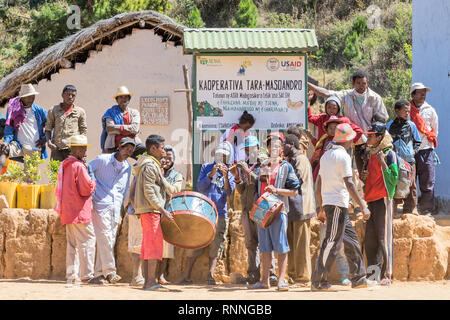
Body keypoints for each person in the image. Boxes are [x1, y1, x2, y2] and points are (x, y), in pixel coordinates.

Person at [312, 123, 374, 291]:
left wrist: (321, 206)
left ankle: (359, 277)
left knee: (351, 240)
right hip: (337, 203)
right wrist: (363, 205)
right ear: (348, 140)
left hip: (332, 204)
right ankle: (319, 281)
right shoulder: (343, 156)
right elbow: (349, 183)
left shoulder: (326, 156)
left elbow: (319, 183)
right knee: (332, 242)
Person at [308, 70, 388, 175]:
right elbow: (326, 93)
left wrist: (373, 140)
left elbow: (383, 119)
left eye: (364, 83)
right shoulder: (346, 95)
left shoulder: (375, 98)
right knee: (356, 173)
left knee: (376, 173)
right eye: (358, 83)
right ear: (353, 83)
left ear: (367, 82)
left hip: (373, 142)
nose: (361, 86)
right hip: (353, 142)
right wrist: (308, 84)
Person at [178, 141, 235, 285]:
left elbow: (229, 192)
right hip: (203, 211)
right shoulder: (206, 167)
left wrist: (226, 176)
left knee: (216, 245)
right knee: (196, 241)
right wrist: (212, 173)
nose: (221, 158)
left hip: (220, 213)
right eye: (219, 155)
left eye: (224, 156)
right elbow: (201, 186)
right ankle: (187, 276)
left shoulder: (230, 171)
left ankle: (210, 275)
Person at [248, 135, 300, 291]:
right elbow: (259, 187)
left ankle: (281, 281)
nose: (274, 149)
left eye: (277, 146)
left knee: (281, 246)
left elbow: (294, 191)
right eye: (271, 146)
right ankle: (264, 281)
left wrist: (276, 190)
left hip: (279, 210)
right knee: (264, 247)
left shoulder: (286, 167)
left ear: (282, 150)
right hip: (263, 211)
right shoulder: (264, 165)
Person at [132, 134, 176, 291]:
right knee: (153, 246)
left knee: (148, 246)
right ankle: (150, 281)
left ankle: (148, 281)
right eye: (162, 148)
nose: (164, 151)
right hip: (151, 210)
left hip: (149, 210)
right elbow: (149, 191)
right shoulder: (150, 166)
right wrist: (162, 209)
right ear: (153, 148)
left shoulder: (150, 164)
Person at [88, 137, 135, 284]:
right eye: (126, 148)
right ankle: (110, 271)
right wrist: (92, 186)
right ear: (119, 147)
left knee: (108, 240)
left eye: (131, 150)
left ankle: (98, 274)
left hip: (116, 207)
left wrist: (123, 207)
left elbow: (125, 188)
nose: (128, 152)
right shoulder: (102, 160)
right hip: (100, 204)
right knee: (105, 238)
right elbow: (87, 168)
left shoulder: (128, 167)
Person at [54, 135, 96, 286]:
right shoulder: (79, 166)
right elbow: (86, 189)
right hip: (79, 211)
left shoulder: (65, 165)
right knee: (87, 242)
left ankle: (72, 275)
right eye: (83, 148)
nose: (85, 151)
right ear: (77, 150)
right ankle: (87, 275)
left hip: (68, 211)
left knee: (72, 245)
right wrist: (93, 182)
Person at [361, 122, 398, 286]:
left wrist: (382, 162)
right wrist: (364, 175)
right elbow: (369, 178)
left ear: (379, 137)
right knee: (370, 238)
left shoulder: (389, 153)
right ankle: (373, 274)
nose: (368, 137)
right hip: (370, 199)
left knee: (384, 238)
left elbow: (394, 178)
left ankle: (387, 274)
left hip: (383, 198)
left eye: (371, 135)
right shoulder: (370, 154)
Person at [283, 134, 316, 285]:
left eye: (284, 144)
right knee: (290, 243)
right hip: (291, 208)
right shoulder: (291, 160)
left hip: (301, 207)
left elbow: (297, 180)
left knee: (301, 244)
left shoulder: (300, 159)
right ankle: (291, 274)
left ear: (291, 144)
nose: (282, 147)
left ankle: (303, 277)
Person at [387, 100, 421, 216]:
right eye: (405, 111)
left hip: (409, 160)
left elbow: (417, 141)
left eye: (408, 111)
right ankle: (395, 208)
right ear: (397, 111)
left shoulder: (411, 125)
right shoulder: (389, 125)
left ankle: (412, 208)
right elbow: (386, 141)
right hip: (395, 160)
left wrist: (413, 152)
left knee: (411, 183)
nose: (407, 113)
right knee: (395, 182)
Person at [409, 83, 439, 216]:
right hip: (410, 151)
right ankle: (410, 209)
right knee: (410, 182)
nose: (423, 96)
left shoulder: (430, 110)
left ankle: (426, 210)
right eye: (420, 93)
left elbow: (434, 130)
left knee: (427, 181)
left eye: (424, 93)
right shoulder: (407, 109)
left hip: (426, 150)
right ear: (413, 94)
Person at [157, 145, 184, 285]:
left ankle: (161, 275)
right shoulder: (153, 170)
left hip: (168, 212)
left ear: (173, 160)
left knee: (166, 247)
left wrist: (161, 178)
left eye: (169, 158)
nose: (166, 160)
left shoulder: (177, 176)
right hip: (154, 211)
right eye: (164, 157)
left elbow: (174, 191)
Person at [3, 84, 48, 161]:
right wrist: (6, 142)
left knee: (29, 172)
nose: (31, 99)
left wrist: (45, 139)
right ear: (22, 97)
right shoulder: (14, 109)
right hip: (18, 146)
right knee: (2, 150)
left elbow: (50, 125)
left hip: (33, 148)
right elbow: (9, 127)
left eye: (33, 96)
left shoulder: (39, 111)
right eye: (28, 97)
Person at [100, 86, 146, 160]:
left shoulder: (134, 112)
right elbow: (110, 129)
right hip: (114, 146)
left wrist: (118, 129)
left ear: (129, 99)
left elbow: (135, 129)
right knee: (110, 165)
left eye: (125, 97)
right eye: (121, 97)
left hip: (133, 144)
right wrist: (128, 129)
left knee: (145, 154)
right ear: (117, 100)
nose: (123, 99)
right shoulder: (110, 112)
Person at [45, 85, 88, 161]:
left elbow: (83, 131)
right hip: (57, 149)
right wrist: (49, 142)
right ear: (62, 95)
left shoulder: (80, 111)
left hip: (73, 150)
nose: (70, 97)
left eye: (73, 95)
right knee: (56, 171)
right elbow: (48, 128)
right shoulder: (53, 110)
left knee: (73, 171)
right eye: (68, 94)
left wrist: (82, 149)